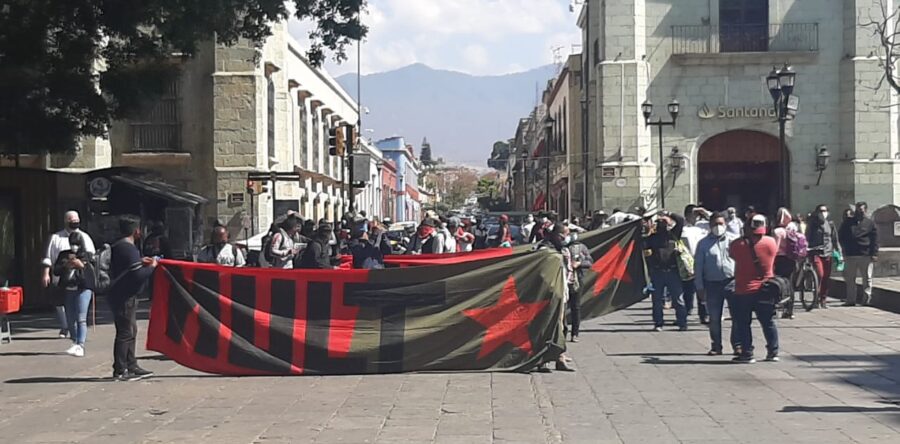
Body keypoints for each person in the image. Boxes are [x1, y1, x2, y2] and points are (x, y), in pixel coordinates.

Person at [109, 215, 157, 380]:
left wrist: (140, 262)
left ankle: (131, 364)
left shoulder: (119, 246)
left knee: (131, 330)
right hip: (124, 296)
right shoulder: (128, 249)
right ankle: (120, 369)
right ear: (137, 231)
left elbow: (130, 268)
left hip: (122, 295)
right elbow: (137, 276)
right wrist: (152, 267)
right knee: (125, 332)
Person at [729, 214, 780, 363]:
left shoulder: (738, 245)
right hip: (766, 288)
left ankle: (747, 353)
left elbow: (733, 256)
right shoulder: (771, 242)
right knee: (768, 322)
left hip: (744, 289)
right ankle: (773, 351)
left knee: (744, 323)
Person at [42, 210, 96, 339]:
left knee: (80, 314)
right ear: (66, 220)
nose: (74, 222)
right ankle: (66, 326)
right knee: (61, 304)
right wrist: (46, 274)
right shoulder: (56, 238)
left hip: (81, 280)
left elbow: (92, 258)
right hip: (61, 278)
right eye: (72, 220)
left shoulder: (85, 237)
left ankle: (79, 341)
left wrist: (83, 264)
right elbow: (48, 258)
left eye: (77, 219)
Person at [694, 213, 739, 356]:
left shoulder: (733, 241)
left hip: (731, 282)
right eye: (715, 224)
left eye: (721, 224)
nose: (718, 227)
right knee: (714, 318)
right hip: (711, 284)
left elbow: (740, 261)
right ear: (710, 226)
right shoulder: (703, 244)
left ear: (725, 224)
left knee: (737, 316)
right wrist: (699, 287)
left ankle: (737, 345)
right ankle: (716, 346)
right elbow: (698, 266)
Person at [535, 224, 575, 372]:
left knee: (562, 327)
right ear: (556, 234)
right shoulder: (545, 249)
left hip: (562, 293)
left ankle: (560, 358)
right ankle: (541, 360)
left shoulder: (563, 249)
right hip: (547, 295)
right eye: (563, 234)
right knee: (546, 326)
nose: (565, 238)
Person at [52, 231, 96, 357]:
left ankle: (80, 344)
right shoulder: (63, 255)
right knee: (70, 318)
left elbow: (91, 274)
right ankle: (75, 341)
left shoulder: (86, 255)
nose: (74, 247)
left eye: (76, 244)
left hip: (83, 289)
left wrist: (81, 265)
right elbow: (56, 271)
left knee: (81, 317)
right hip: (68, 288)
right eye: (72, 244)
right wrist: (66, 264)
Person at [646, 211, 688, 331]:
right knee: (657, 300)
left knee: (678, 300)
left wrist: (669, 214)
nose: (661, 225)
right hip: (657, 272)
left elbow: (680, 220)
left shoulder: (673, 235)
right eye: (659, 223)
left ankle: (682, 322)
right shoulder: (652, 238)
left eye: (663, 223)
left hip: (673, 271)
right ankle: (658, 323)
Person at [839, 202, 879, 306]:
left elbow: (875, 239)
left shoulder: (870, 223)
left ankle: (866, 300)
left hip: (865, 254)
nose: (859, 213)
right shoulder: (847, 222)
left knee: (867, 278)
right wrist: (844, 249)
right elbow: (841, 236)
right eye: (857, 210)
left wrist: (874, 253)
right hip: (850, 254)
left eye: (861, 211)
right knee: (850, 279)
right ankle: (851, 300)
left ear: (865, 211)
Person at [806, 205, 841, 309]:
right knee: (820, 274)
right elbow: (807, 237)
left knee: (826, 276)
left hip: (828, 252)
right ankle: (816, 297)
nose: (823, 213)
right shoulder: (812, 224)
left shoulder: (830, 224)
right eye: (821, 211)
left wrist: (839, 251)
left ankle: (823, 298)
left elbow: (834, 239)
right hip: (816, 252)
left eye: (825, 211)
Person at [681, 205, 709, 323]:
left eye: (697, 214)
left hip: (704, 261)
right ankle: (686, 312)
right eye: (693, 213)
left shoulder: (704, 225)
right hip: (689, 261)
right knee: (688, 289)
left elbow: (720, 220)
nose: (696, 216)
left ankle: (704, 314)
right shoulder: (683, 228)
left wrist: (705, 212)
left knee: (702, 289)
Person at [567, 233, 592, 343]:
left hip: (577, 280)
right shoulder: (565, 248)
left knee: (575, 307)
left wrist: (579, 263)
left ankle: (575, 333)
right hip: (565, 279)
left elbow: (590, 261)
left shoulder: (583, 248)